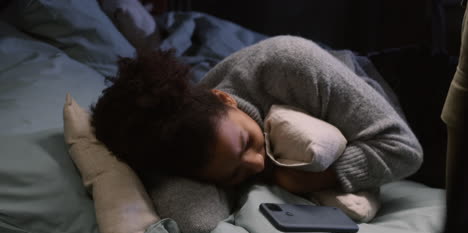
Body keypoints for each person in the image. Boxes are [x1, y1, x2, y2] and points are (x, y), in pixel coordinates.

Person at [91, 36, 423, 194]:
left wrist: (314, 179)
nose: (258, 164)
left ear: (224, 98)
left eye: (247, 142)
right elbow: (195, 219)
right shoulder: (184, 145)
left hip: (415, 89)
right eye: (235, 175)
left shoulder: (288, 64)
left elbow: (404, 150)